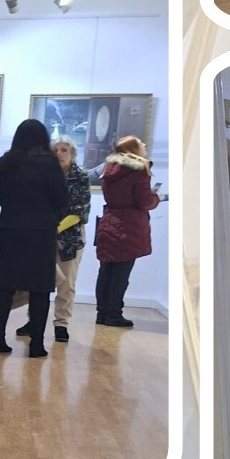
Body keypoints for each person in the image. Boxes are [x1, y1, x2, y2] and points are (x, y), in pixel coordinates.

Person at [0, 119, 69, 357]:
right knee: (40, 289)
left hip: (10, 228)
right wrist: (49, 217)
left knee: (4, 287)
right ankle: (36, 344)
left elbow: (0, 195)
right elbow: (62, 200)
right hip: (41, 231)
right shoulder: (50, 164)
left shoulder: (5, 162)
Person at [19, 137, 90, 343]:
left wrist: (55, 229)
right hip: (43, 235)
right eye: (56, 150)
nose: (59, 154)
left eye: (64, 150)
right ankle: (33, 321)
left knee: (66, 283)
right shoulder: (44, 175)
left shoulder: (81, 178)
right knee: (38, 282)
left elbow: (80, 212)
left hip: (70, 238)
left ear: (73, 154)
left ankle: (61, 324)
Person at [92, 135, 159, 328]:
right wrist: (157, 198)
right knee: (121, 275)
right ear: (133, 150)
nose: (144, 145)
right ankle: (114, 314)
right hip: (129, 226)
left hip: (108, 221)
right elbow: (144, 201)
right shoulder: (139, 170)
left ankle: (102, 313)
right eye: (140, 144)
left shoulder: (109, 169)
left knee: (106, 272)